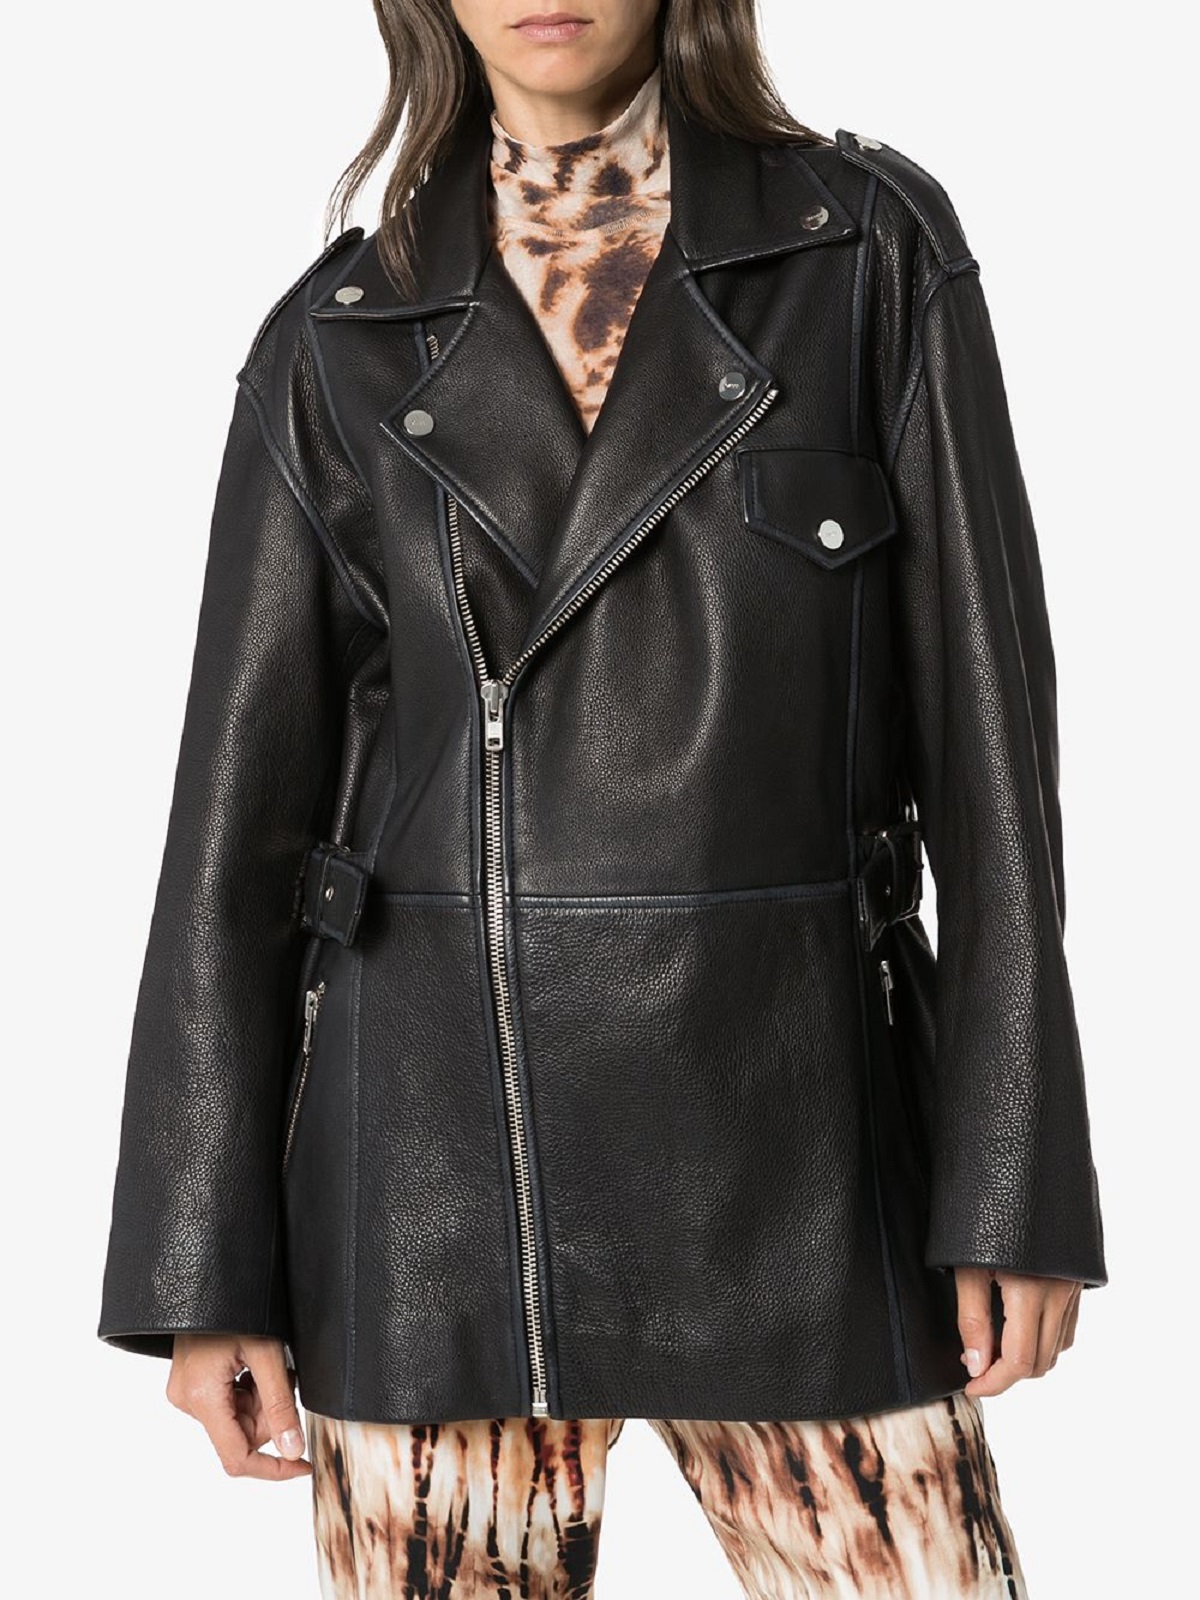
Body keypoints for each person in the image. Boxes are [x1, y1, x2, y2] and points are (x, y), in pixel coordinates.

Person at [97, 2, 1107, 1596]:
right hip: (434, 1188)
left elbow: (994, 756)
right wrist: (201, 1264)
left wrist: (1013, 1181)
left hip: (804, 1157)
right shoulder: (338, 335)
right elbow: (234, 830)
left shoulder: (861, 252)